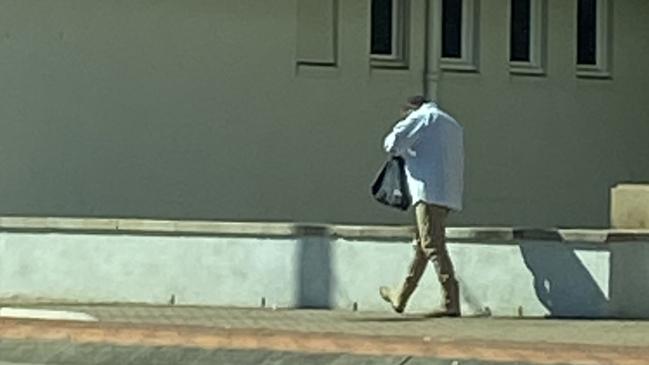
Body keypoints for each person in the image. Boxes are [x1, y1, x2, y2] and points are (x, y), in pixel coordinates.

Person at [379, 95, 464, 317]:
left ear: (410, 110)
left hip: (427, 191)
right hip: (449, 194)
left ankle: (450, 301)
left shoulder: (422, 117)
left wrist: (403, 134)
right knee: (423, 245)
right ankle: (401, 295)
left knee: (431, 246)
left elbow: (392, 143)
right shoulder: (451, 123)